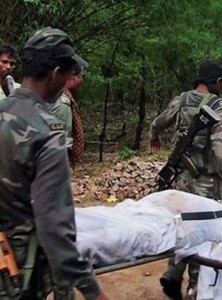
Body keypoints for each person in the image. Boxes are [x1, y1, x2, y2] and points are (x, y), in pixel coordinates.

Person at [0, 27, 109, 300]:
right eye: (67, 75)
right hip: (18, 270)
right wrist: (94, 292)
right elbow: (56, 230)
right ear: (55, 72)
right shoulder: (46, 131)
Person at [149, 60, 222, 299]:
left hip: (181, 178)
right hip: (205, 180)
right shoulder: (218, 104)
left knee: (182, 224)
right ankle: (195, 287)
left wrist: (154, 138)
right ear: (217, 83)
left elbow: (158, 122)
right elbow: (219, 147)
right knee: (202, 231)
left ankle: (174, 270)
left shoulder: (181, 99)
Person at [49, 62, 87, 165]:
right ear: (71, 76)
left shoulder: (58, 97)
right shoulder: (62, 103)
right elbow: (61, 143)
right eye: (81, 76)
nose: (82, 81)